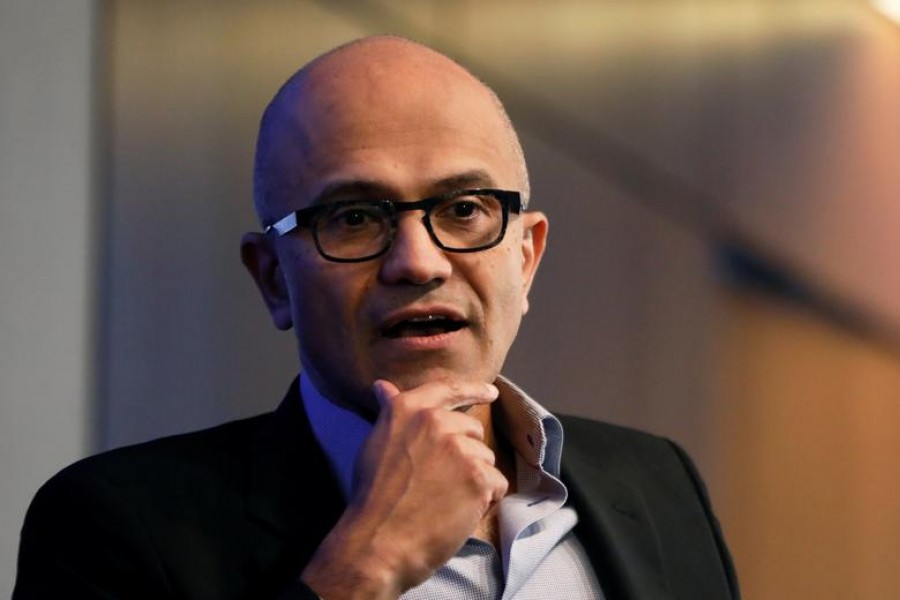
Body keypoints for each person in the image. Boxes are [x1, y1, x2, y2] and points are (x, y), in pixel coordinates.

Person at [14, 36, 739, 599]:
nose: (418, 262)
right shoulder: (114, 526)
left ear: (526, 257)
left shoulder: (656, 483)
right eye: (355, 217)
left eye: (463, 210)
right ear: (272, 279)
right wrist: (362, 569)